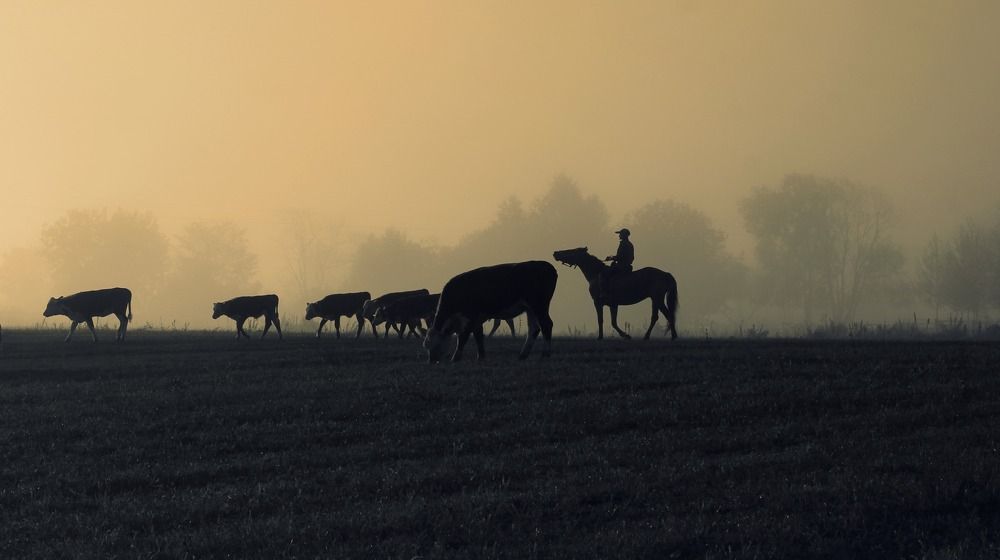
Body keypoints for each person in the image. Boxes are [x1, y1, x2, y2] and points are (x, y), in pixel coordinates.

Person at [601, 228, 634, 298]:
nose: (619, 235)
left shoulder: (624, 244)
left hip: (622, 266)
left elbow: (620, 256)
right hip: (625, 265)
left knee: (604, 274)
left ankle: (605, 292)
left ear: (624, 235)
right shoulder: (629, 244)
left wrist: (612, 258)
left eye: (620, 234)